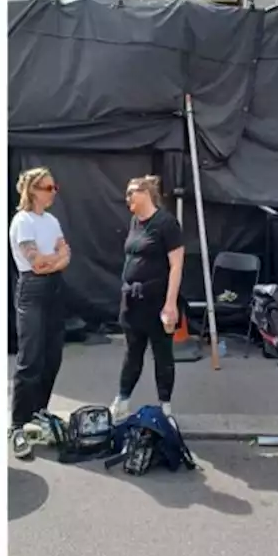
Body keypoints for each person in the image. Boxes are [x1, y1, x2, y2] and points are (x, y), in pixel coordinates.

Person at [110, 175, 185, 422]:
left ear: (147, 193)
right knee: (132, 352)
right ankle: (122, 401)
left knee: (162, 354)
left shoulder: (166, 223)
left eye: (132, 192)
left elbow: (176, 265)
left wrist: (170, 304)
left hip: (158, 301)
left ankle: (165, 408)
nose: (127, 197)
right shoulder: (135, 222)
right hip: (132, 301)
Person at [7, 166, 69, 460]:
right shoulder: (23, 221)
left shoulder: (53, 221)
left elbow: (65, 256)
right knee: (30, 358)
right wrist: (54, 260)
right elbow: (37, 263)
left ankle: (37, 413)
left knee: (52, 355)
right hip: (32, 289)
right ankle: (17, 425)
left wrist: (53, 261)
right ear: (32, 190)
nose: (52, 192)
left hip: (55, 288)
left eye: (54, 187)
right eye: (47, 187)